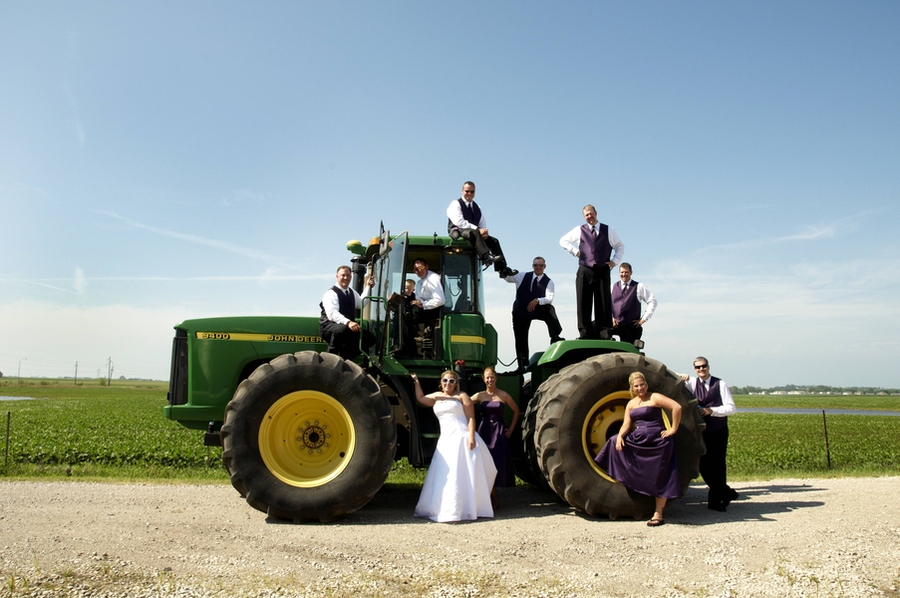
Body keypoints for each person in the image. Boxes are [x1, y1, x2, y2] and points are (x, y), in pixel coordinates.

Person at [594, 371, 682, 526]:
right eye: (637, 386)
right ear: (632, 388)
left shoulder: (655, 397)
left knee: (661, 475)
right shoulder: (631, 404)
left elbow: (676, 407)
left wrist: (673, 429)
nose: (640, 388)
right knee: (614, 440)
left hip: (658, 442)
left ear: (646, 384)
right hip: (639, 440)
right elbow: (627, 424)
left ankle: (658, 514)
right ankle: (623, 477)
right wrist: (621, 436)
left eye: (642, 384)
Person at [412, 370, 497, 522]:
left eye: (451, 381)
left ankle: (463, 508)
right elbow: (420, 398)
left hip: (461, 436)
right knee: (445, 472)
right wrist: (416, 381)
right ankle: (442, 507)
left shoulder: (462, 396)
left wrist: (471, 436)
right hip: (445, 440)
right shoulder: (436, 396)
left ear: (456, 383)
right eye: (445, 380)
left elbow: (471, 417)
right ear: (441, 382)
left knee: (460, 472)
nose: (448, 384)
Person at [559, 204, 624, 339]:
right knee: (583, 302)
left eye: (591, 213)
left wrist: (615, 261)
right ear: (584, 217)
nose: (589, 216)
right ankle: (585, 333)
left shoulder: (608, 230)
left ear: (596, 213)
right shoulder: (579, 230)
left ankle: (604, 332)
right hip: (585, 269)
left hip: (602, 269)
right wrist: (576, 252)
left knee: (603, 301)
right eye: (586, 215)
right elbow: (563, 241)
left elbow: (620, 246)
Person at [683, 357, 738, 512]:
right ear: (695, 369)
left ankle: (716, 502)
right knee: (704, 465)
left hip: (718, 429)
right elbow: (676, 386)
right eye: (698, 367)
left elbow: (731, 408)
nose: (701, 370)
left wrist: (712, 411)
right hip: (702, 431)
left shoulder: (720, 384)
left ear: (708, 367)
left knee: (718, 465)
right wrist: (682, 376)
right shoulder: (692, 384)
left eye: (704, 366)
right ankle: (726, 492)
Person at [504, 256, 564, 372]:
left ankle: (555, 336)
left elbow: (549, 298)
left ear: (544, 267)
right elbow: (508, 278)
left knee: (549, 309)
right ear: (533, 266)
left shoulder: (549, 282)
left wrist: (537, 300)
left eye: (540, 265)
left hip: (536, 308)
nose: (538, 268)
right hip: (521, 310)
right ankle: (522, 364)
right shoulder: (522, 276)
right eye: (536, 265)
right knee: (520, 336)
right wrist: (504, 271)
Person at [471, 367, 521, 506]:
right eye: (487, 377)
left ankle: (494, 495)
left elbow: (516, 410)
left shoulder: (503, 395)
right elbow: (466, 403)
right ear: (483, 379)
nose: (490, 380)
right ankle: (491, 498)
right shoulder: (480, 395)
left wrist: (511, 428)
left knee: (497, 462)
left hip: (499, 431)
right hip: (484, 431)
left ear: (496, 378)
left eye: (492, 377)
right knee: (484, 463)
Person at [447, 181, 517, 278]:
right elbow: (459, 222)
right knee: (475, 233)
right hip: (459, 230)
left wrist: (484, 231)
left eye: (472, 192)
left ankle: (502, 269)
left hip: (475, 232)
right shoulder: (455, 204)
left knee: (494, 241)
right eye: (467, 191)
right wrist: (478, 229)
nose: (469, 194)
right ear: (462, 191)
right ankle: (487, 256)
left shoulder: (477, 207)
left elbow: (482, 222)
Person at [319, 265, 372, 360]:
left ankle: (343, 359)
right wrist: (349, 322)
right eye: (343, 275)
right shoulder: (331, 293)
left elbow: (361, 303)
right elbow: (332, 314)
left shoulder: (352, 292)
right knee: (341, 330)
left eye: (348, 275)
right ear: (337, 276)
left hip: (346, 327)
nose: (345, 278)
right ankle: (330, 359)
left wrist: (368, 286)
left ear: (351, 277)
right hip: (328, 326)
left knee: (369, 338)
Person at [611, 262, 657, 345]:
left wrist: (643, 319)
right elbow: (607, 304)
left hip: (631, 327)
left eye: (626, 272)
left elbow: (652, 301)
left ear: (631, 273)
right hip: (616, 325)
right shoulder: (613, 286)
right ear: (619, 273)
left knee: (628, 353)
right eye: (622, 272)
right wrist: (612, 317)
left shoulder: (639, 286)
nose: (624, 274)